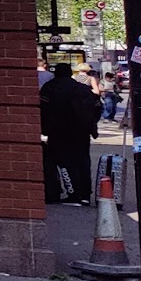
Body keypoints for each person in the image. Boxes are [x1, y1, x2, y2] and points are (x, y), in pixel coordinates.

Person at [40, 61, 100, 206]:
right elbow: (96, 107)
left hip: (58, 131)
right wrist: (91, 126)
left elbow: (42, 110)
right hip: (82, 131)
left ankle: (72, 193)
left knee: (62, 162)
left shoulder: (49, 88)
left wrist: (45, 128)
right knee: (83, 161)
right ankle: (85, 194)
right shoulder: (82, 89)